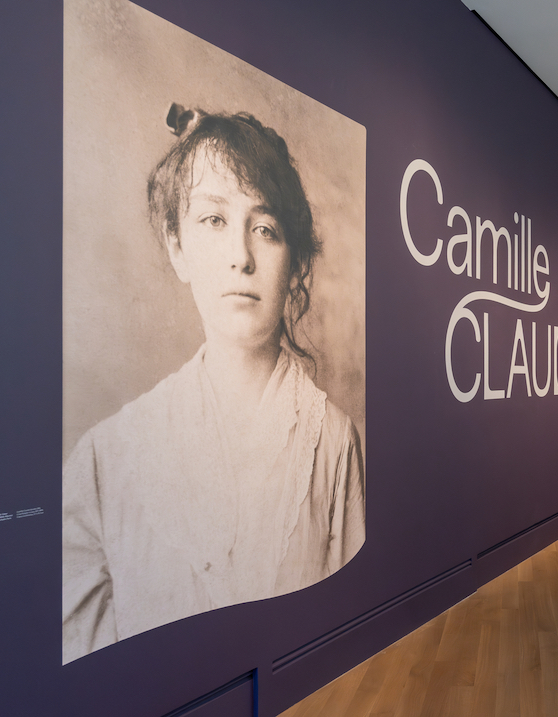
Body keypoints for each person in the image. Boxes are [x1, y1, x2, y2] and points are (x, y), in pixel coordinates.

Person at [62, 108, 366, 663]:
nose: (240, 257)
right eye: (213, 221)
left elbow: (345, 640)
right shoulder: (106, 460)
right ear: (177, 247)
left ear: (294, 263)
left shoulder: (333, 442)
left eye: (265, 229)